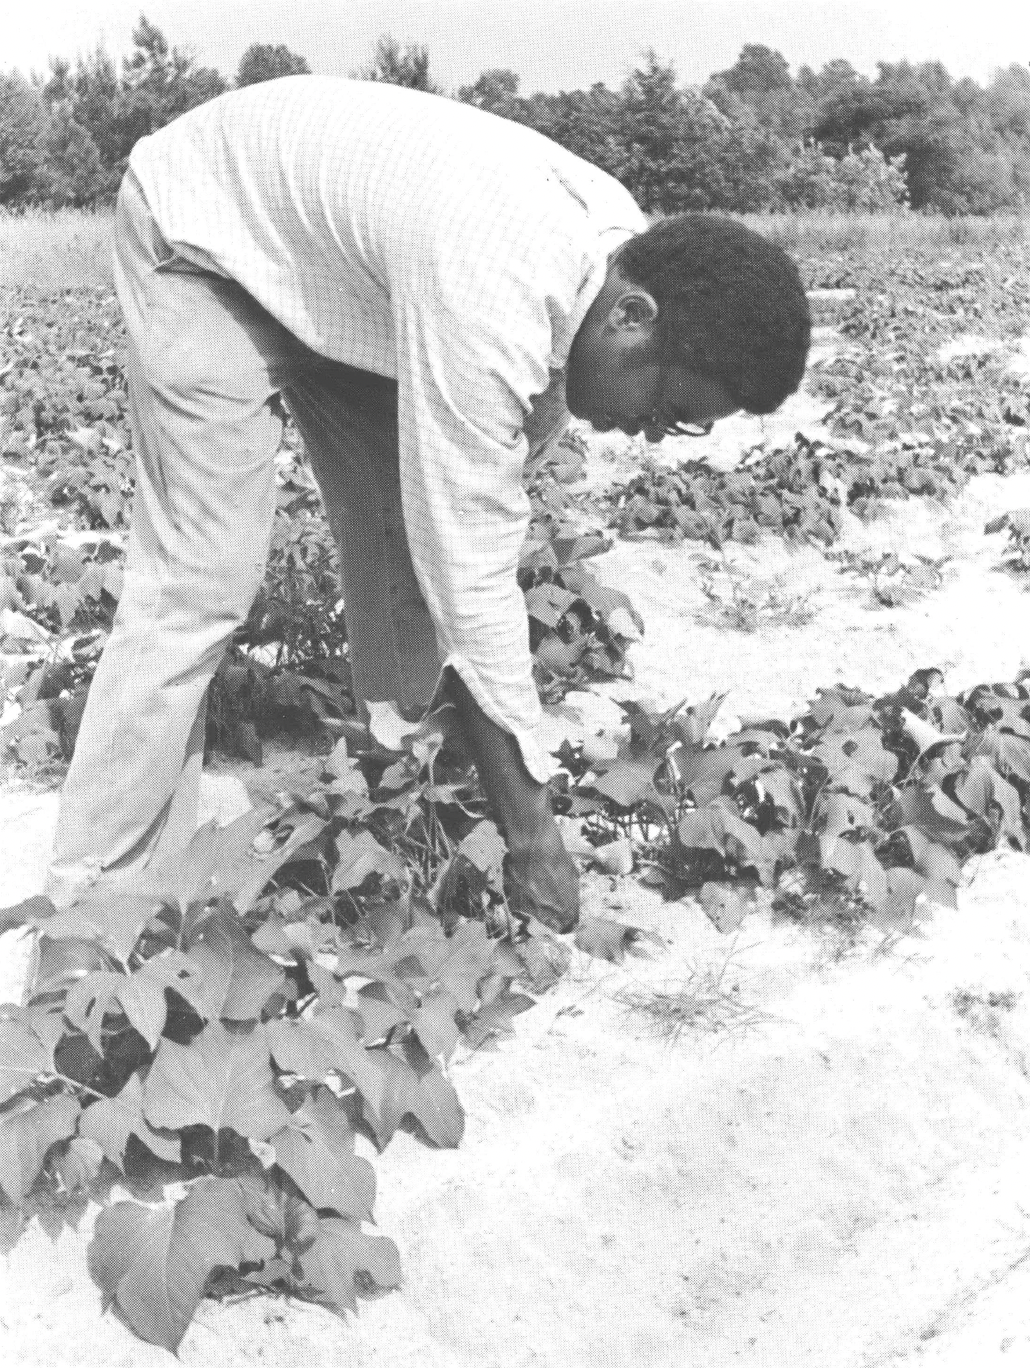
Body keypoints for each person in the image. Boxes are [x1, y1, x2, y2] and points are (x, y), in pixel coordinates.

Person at [42, 75, 811, 932]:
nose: (656, 436)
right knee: (200, 577)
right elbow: (474, 567)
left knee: (405, 545)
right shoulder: (498, 295)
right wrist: (532, 838)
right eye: (667, 409)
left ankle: (398, 805)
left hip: (348, 270)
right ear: (633, 318)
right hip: (206, 231)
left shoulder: (620, 273)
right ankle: (92, 910)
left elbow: (455, 534)